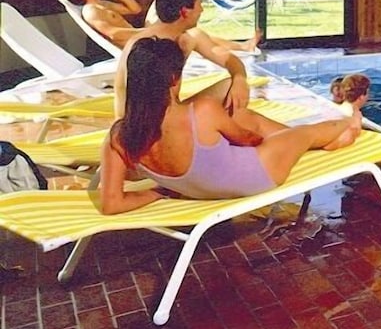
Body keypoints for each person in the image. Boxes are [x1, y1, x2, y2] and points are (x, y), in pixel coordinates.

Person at [99, 38, 358, 214]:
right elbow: (248, 140)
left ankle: (322, 141)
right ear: (174, 79)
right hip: (256, 176)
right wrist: (275, 143)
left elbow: (112, 204)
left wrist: (158, 193)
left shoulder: (119, 136)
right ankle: (351, 120)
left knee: (242, 119)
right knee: (305, 133)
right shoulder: (202, 111)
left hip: (200, 189)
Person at [112, 0, 252, 118]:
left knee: (232, 87)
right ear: (185, 12)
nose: (202, 10)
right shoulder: (145, 44)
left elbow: (229, 59)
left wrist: (240, 79)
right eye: (199, 4)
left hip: (172, 112)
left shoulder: (191, 37)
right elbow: (136, 102)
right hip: (143, 120)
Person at [57, 0, 259, 52]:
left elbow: (135, 9)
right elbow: (113, 34)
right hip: (137, 44)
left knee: (162, 3)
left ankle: (242, 46)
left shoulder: (103, 4)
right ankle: (242, 46)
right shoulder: (91, 11)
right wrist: (152, 32)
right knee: (189, 34)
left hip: (141, 35)